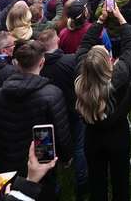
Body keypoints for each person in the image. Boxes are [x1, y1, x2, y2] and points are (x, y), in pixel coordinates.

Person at [0, 40, 71, 199]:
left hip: (8, 163)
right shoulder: (52, 94)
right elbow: (61, 131)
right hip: (40, 164)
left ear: (16, 63)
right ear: (42, 62)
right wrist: (66, 156)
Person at [74, 4, 131, 201]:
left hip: (93, 137)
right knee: (121, 181)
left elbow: (84, 45)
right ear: (109, 62)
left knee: (97, 181)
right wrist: (121, 19)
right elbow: (130, 48)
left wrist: (101, 20)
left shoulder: (80, 79)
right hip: (118, 136)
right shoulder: (118, 77)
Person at [37, 28, 86, 200]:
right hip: (73, 111)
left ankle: (51, 186)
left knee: (48, 151)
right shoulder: (70, 60)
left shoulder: (38, 66)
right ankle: (82, 184)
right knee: (80, 147)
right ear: (56, 41)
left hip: (48, 116)